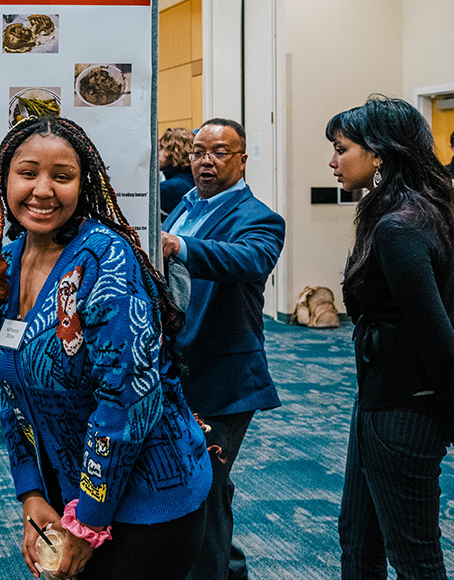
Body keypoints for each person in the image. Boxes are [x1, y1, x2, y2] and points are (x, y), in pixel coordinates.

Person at [0, 116, 211, 579]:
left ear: (83, 185)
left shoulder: (106, 258)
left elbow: (127, 401)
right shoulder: (12, 258)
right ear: (5, 178)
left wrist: (89, 522)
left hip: (146, 503)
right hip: (66, 493)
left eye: (61, 177)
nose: (43, 189)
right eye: (28, 173)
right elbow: (10, 392)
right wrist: (31, 495)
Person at [327, 95, 453, 579]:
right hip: (382, 398)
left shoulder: (400, 225)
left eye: (341, 149)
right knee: (358, 539)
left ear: (378, 153)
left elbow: (436, 337)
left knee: (415, 559)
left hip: (407, 406)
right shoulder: (417, 211)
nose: (333, 162)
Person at [160, 118, 285, 580]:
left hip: (223, 377)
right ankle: (228, 569)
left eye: (219, 152)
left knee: (205, 489)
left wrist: (181, 245)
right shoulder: (184, 206)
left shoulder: (260, 219)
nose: (205, 161)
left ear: (242, 159)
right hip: (178, 370)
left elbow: (246, 258)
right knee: (201, 486)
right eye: (197, 152)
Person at [158, 127, 196, 218]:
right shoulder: (197, 181)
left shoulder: (167, 188)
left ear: (173, 151)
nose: (157, 153)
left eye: (161, 147)